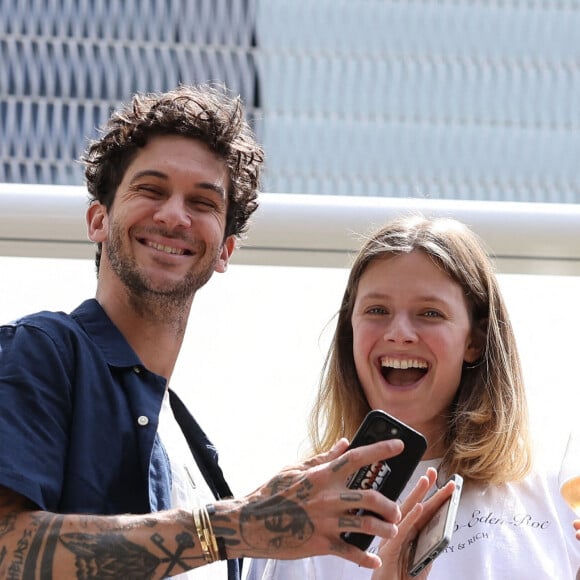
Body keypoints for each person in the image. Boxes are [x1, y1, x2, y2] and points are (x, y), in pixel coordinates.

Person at [0, 85, 409, 579]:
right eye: (151, 190)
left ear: (224, 251)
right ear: (98, 219)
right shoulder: (43, 350)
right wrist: (239, 524)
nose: (175, 215)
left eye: (203, 201)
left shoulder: (197, 454)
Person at [247, 214, 580, 579]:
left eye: (429, 313)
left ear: (475, 340)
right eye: (377, 310)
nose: (399, 333)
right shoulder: (299, 507)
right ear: (350, 330)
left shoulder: (558, 487)